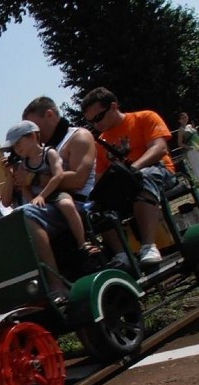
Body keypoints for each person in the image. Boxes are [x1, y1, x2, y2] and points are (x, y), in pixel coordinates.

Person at [1, 96, 98, 303]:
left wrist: (34, 181)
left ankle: (62, 274)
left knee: (32, 213)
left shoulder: (75, 138)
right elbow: (11, 198)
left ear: (50, 115)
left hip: (75, 200)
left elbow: (77, 179)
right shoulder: (30, 157)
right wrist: (14, 177)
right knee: (4, 222)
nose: (17, 150)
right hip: (46, 205)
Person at [81, 87, 177, 266]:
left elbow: (159, 148)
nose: (96, 125)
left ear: (113, 106)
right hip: (125, 185)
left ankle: (149, 245)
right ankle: (122, 254)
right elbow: (100, 178)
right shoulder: (100, 143)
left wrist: (133, 169)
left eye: (98, 118)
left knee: (142, 178)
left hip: (159, 171)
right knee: (96, 205)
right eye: (90, 122)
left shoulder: (145, 117)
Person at [1, 120, 96, 257]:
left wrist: (42, 195)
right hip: (39, 199)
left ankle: (82, 242)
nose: (16, 150)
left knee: (66, 204)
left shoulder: (49, 153)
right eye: (13, 148)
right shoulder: (23, 164)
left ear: (33, 136)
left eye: (18, 144)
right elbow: (23, 188)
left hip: (54, 192)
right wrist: (32, 199)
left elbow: (58, 176)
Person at [176, 112, 199, 180]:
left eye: (185, 117)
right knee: (197, 167)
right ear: (179, 120)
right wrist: (189, 147)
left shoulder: (190, 126)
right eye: (182, 118)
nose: (185, 119)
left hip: (197, 146)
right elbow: (180, 143)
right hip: (192, 150)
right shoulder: (181, 130)